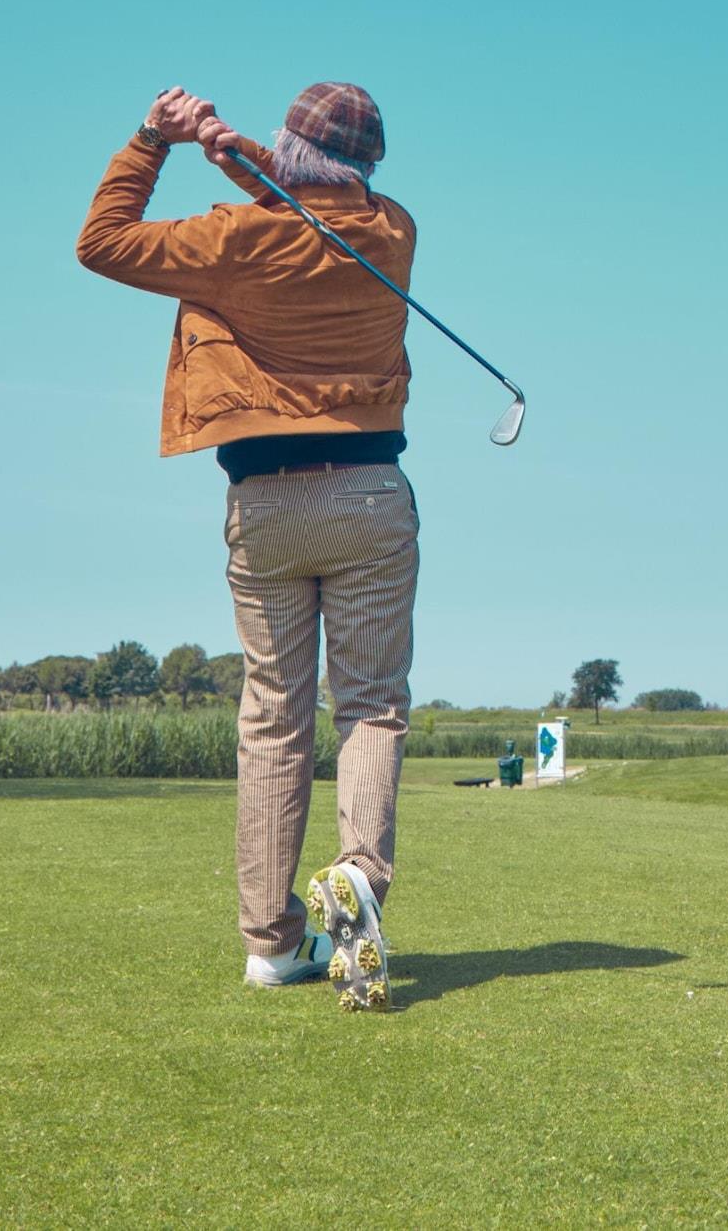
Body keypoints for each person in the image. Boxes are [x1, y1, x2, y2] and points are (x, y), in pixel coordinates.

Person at [76, 82, 418, 1012]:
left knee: (273, 718)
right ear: (370, 163)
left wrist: (155, 137)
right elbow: (314, 201)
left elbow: (101, 241)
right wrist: (225, 147)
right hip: (371, 495)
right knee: (371, 707)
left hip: (264, 503)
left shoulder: (235, 238)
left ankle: (271, 944)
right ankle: (358, 877)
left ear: (288, 148)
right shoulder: (392, 231)